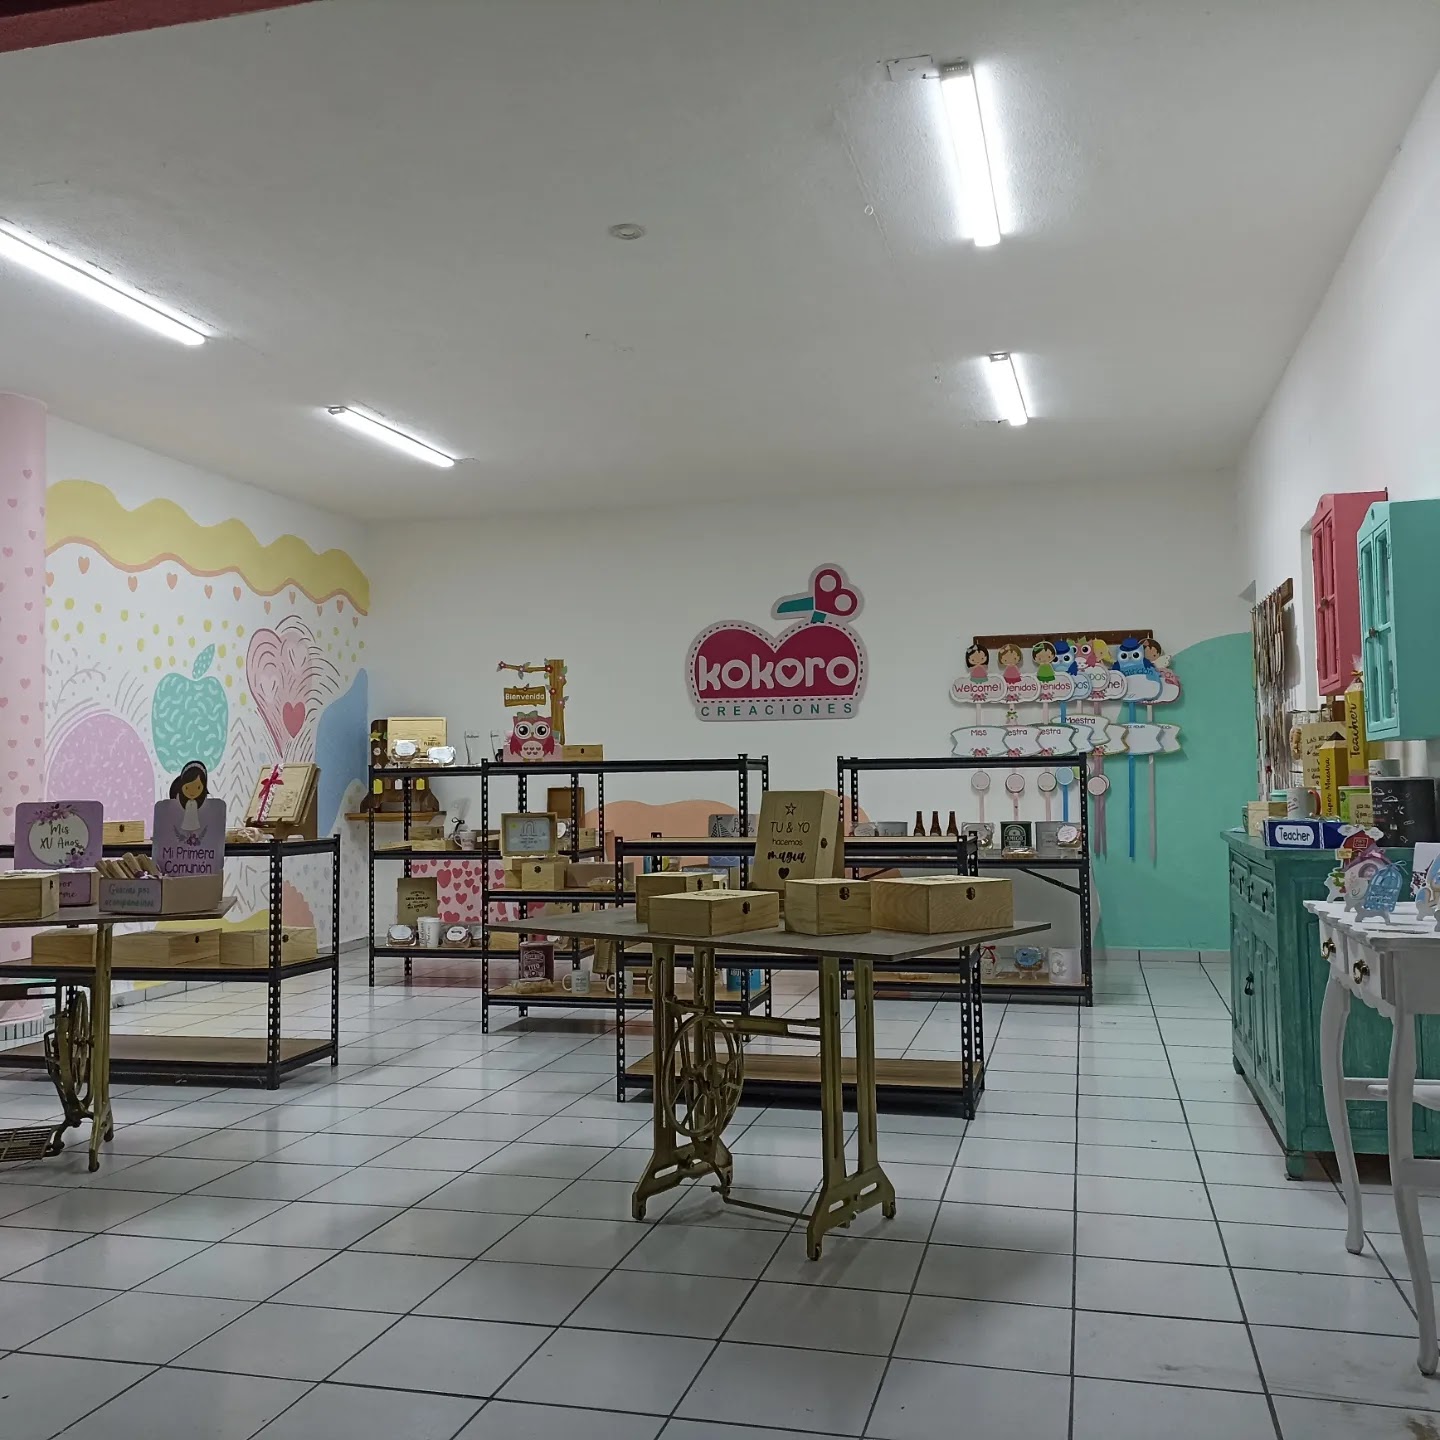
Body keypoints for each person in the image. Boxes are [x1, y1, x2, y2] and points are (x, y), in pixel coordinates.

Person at [169, 761, 209, 836]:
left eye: (198, 788)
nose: (192, 792)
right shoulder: (177, 802)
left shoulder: (201, 805)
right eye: (187, 788)